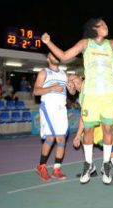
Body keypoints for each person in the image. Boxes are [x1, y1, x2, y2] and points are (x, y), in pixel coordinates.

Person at [41, 17, 113, 185]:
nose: (106, 26)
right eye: (103, 24)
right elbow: (63, 55)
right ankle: (88, 164)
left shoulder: (111, 43)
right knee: (88, 131)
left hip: (108, 95)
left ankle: (106, 165)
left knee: (107, 129)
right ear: (94, 29)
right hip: (90, 94)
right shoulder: (85, 43)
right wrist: (48, 42)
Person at [70, 75, 113, 184]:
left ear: (81, 78)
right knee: (84, 137)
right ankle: (92, 168)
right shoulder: (81, 97)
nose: (73, 81)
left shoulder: (89, 82)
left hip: (106, 115)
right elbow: (83, 117)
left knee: (106, 142)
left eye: (74, 78)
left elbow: (105, 78)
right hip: (95, 116)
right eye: (70, 81)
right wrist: (77, 135)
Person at [34, 52, 77, 181]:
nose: (56, 57)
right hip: (48, 108)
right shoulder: (44, 72)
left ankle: (56, 169)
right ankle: (41, 166)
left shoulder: (64, 74)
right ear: (48, 59)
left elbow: (72, 92)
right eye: (53, 55)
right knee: (50, 137)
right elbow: (36, 91)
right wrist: (52, 88)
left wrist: (71, 88)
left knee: (62, 139)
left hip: (61, 109)